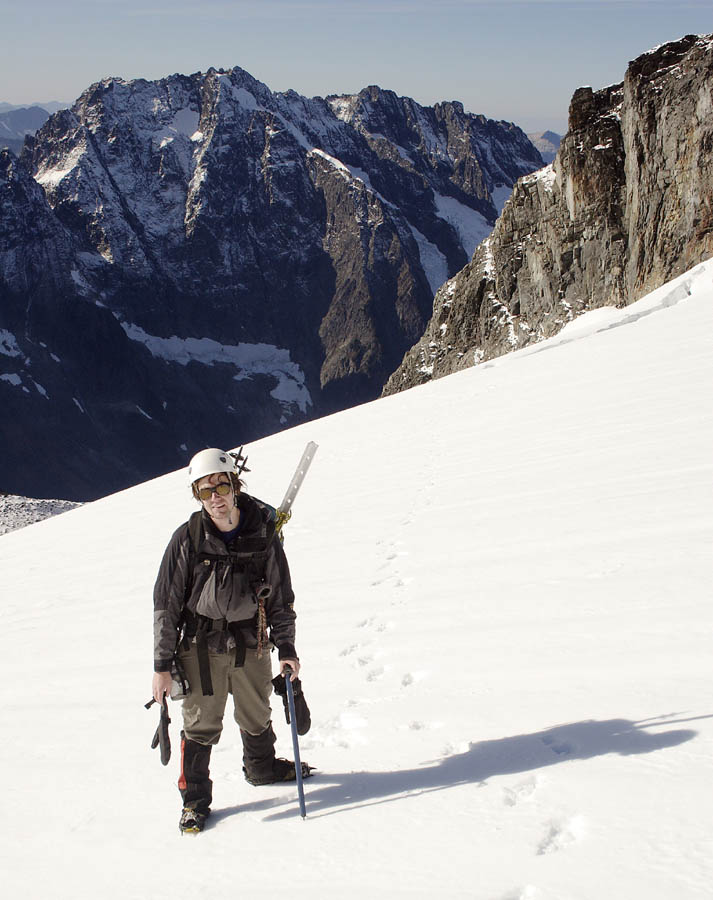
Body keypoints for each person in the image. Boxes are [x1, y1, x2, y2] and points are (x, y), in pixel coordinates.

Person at [151, 447, 311, 834]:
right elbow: (166, 605)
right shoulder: (188, 538)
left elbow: (281, 600)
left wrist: (287, 650)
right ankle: (195, 802)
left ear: (234, 485)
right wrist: (161, 666)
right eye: (205, 491)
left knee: (257, 712)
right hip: (200, 648)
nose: (215, 497)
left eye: (221, 486)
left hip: (251, 641)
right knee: (200, 723)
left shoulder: (263, 534)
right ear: (198, 496)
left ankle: (262, 769)